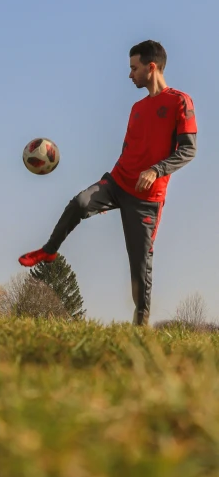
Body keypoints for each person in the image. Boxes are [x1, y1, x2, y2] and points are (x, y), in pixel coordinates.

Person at [19, 40, 197, 325]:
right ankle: (49, 251)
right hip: (116, 182)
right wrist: (105, 189)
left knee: (139, 267)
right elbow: (128, 152)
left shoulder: (180, 101)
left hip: (146, 198)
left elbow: (188, 149)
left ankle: (140, 326)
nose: (130, 75)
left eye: (134, 68)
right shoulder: (137, 108)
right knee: (80, 202)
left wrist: (157, 170)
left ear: (151, 68)